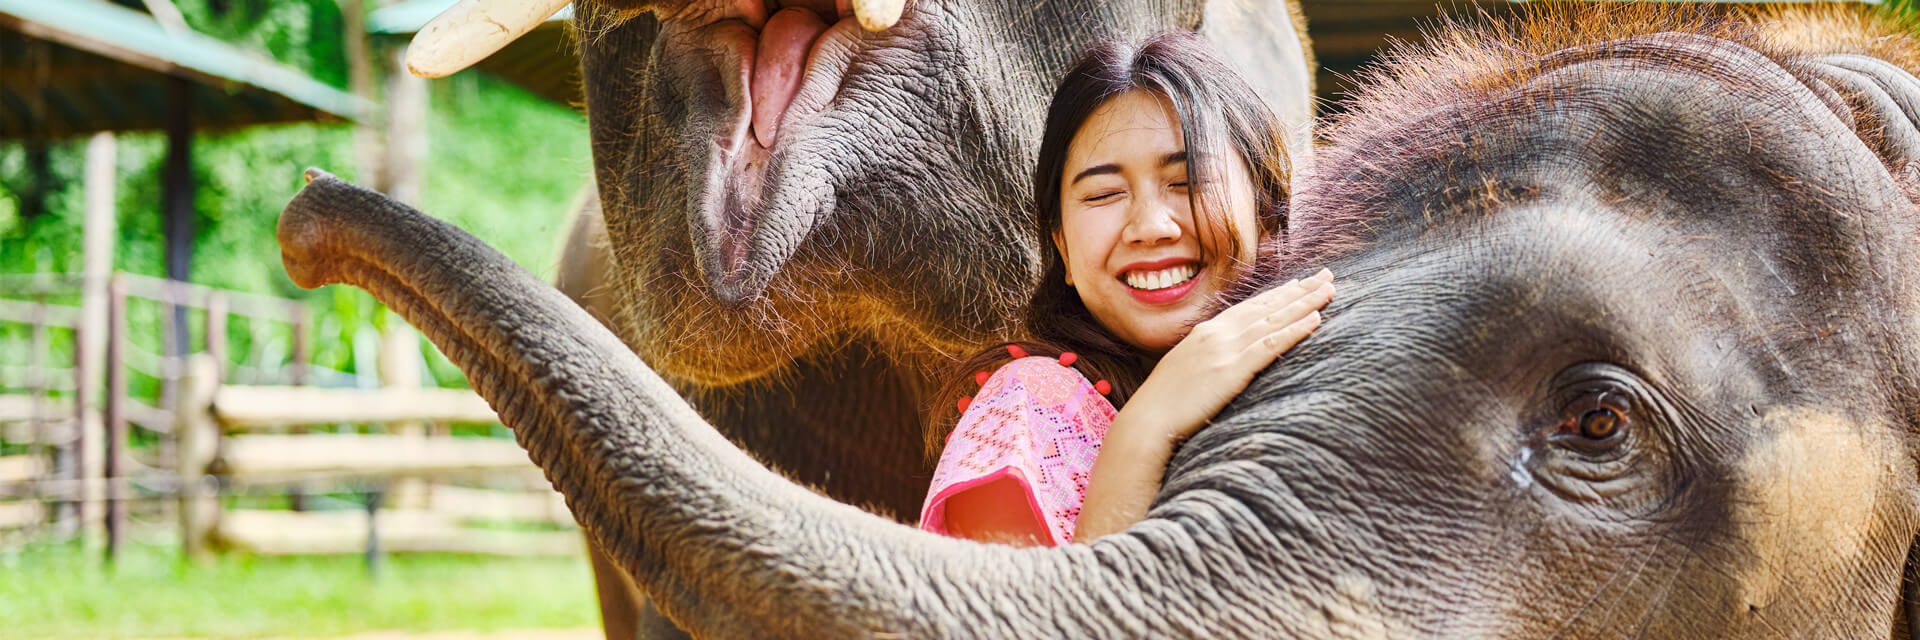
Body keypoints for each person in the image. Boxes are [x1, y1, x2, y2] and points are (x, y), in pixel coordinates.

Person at [917, 32, 1334, 546]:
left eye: (1187, 181)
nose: (1150, 226)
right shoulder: (1027, 411)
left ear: (1266, 214)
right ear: (1063, 249)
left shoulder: (1333, 370)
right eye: (1105, 193)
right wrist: (1145, 428)